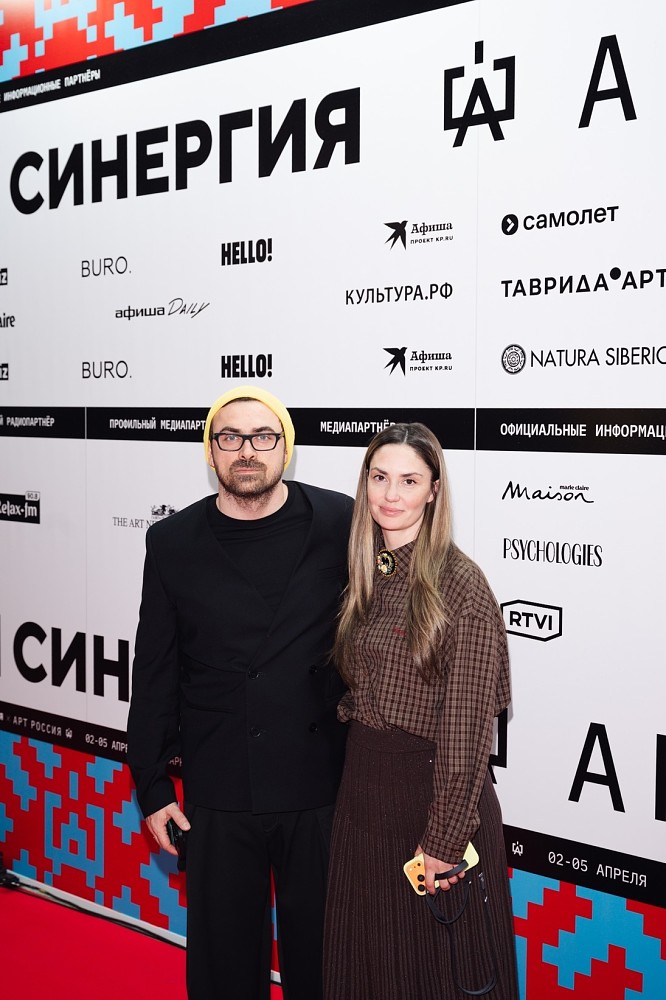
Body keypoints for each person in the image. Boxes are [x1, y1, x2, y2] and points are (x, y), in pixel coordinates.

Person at [126, 386, 353, 1000]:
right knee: (224, 969)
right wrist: (152, 786)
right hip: (221, 786)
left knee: (326, 965)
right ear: (211, 451)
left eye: (262, 436)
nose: (246, 450)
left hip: (320, 785)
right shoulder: (172, 541)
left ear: (286, 447)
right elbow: (155, 671)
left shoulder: (341, 521)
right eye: (229, 437)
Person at [323, 422, 518, 1000]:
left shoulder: (461, 587)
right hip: (364, 797)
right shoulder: (366, 571)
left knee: (432, 976)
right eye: (379, 477)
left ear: (434, 490)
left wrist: (444, 840)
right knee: (365, 967)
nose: (391, 494)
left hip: (430, 801)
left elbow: (466, 733)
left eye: (409, 481)